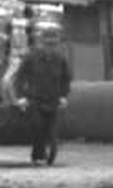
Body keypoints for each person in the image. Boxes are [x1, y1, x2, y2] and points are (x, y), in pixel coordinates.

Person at [14, 27, 72, 166]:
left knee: (50, 128)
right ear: (41, 43)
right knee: (38, 126)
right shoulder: (31, 58)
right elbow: (19, 78)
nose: (50, 48)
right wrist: (21, 96)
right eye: (48, 44)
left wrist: (64, 96)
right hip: (35, 99)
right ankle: (38, 155)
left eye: (53, 44)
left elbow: (66, 79)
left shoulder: (60, 59)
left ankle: (45, 152)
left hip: (53, 99)